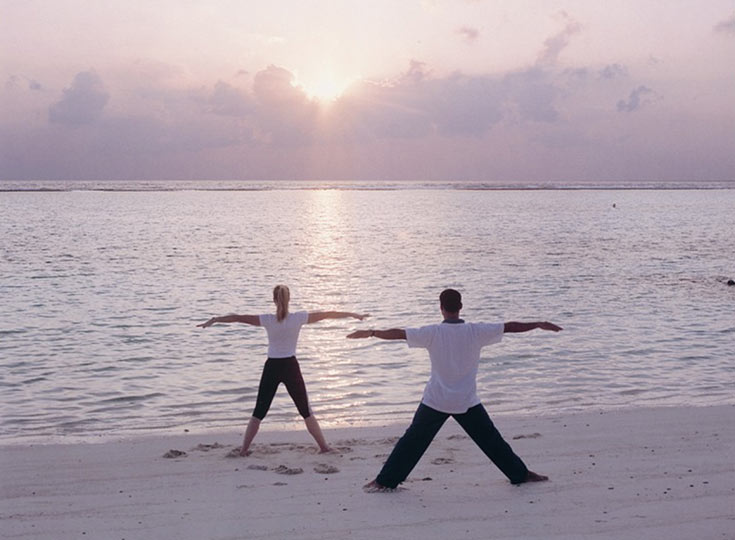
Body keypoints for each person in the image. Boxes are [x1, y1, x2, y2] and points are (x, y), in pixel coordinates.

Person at [347, 288, 562, 492]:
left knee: (412, 441)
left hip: (436, 400)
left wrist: (371, 332)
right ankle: (520, 475)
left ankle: (384, 481)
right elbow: (510, 326)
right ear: (461, 307)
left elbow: (399, 333)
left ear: (441, 308)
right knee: (491, 440)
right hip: (465, 400)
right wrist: (538, 324)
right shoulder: (476, 331)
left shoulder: (432, 332)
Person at [198, 285, 368, 456]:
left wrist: (215, 320)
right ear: (289, 300)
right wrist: (353, 314)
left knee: (259, 412)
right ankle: (324, 447)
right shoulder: (298, 318)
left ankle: (243, 450)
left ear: (274, 300)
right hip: (290, 367)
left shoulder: (267, 319)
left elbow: (237, 318)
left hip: (272, 367)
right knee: (305, 411)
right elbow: (328, 314)